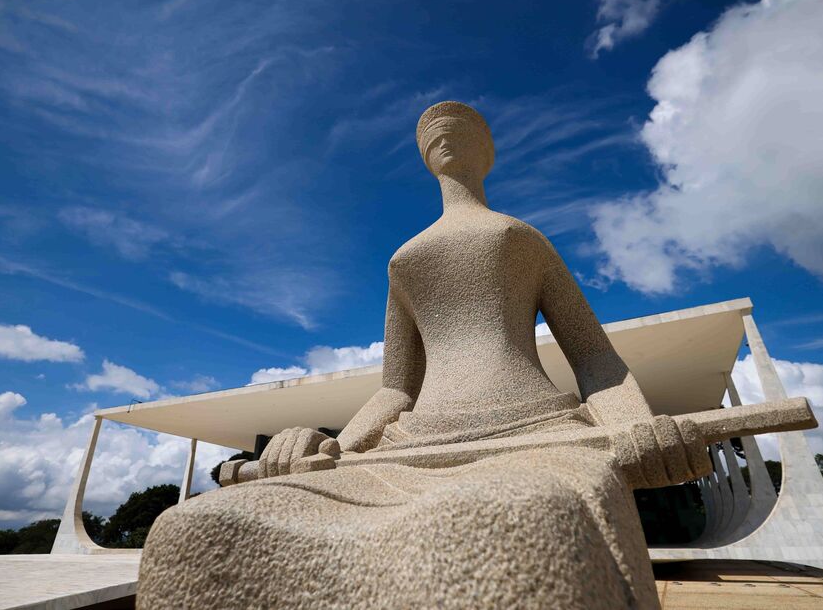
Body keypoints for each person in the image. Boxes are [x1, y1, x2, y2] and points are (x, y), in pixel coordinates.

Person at [139, 101, 708, 609]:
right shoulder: (404, 260)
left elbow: (594, 359)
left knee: (515, 521)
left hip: (536, 436)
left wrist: (636, 428)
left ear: (488, 154)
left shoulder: (521, 238)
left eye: (463, 126)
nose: (443, 130)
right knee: (201, 528)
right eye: (430, 131)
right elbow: (395, 389)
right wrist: (331, 443)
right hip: (405, 449)